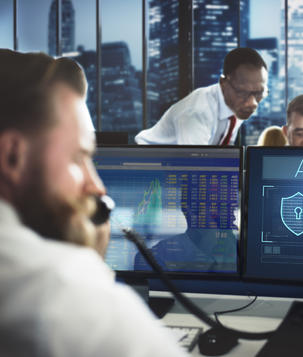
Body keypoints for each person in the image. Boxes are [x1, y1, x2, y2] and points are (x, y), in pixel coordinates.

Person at [0, 50, 186, 356]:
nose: (96, 186)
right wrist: (91, 264)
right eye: (79, 157)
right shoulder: (61, 290)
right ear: (12, 156)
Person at [135, 47, 268, 145]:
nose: (252, 103)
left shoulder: (237, 104)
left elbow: (226, 151)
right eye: (243, 92)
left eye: (258, 93)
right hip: (148, 166)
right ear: (223, 83)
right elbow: (194, 165)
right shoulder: (197, 112)